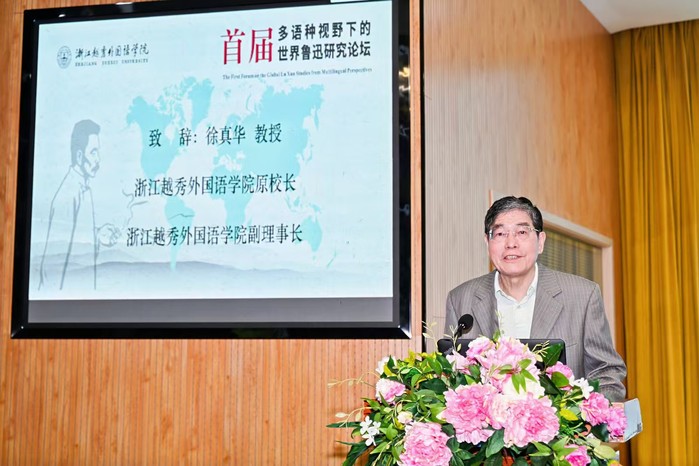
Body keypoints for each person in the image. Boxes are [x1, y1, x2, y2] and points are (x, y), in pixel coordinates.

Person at [444, 196, 627, 401]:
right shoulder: (461, 299)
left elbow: (607, 373)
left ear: (540, 242)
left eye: (522, 232)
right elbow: (450, 378)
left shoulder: (583, 296)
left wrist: (583, 413)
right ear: (488, 242)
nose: (511, 243)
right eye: (501, 233)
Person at [39, 119, 120, 291]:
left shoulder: (84, 188)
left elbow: (75, 240)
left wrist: (98, 235)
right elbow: (54, 263)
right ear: (79, 156)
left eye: (98, 152)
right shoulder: (68, 194)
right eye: (93, 152)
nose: (98, 160)